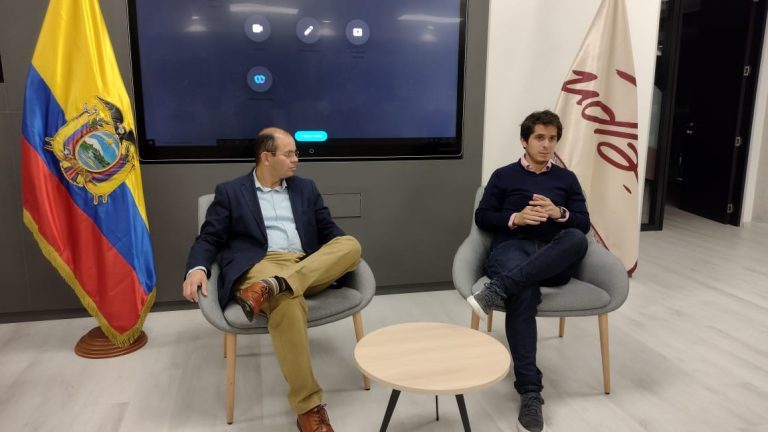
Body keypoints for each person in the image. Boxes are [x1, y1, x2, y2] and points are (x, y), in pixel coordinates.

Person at [183, 127, 361, 432]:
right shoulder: (231, 192)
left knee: (351, 245)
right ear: (267, 157)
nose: (296, 159)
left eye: (296, 153)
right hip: (259, 266)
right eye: (289, 154)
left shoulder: (306, 188)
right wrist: (197, 268)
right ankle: (308, 407)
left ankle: (274, 286)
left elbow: (329, 230)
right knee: (287, 302)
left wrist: (336, 254)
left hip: (306, 264)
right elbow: (209, 238)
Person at [468, 110, 590, 432]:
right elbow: (483, 217)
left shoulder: (567, 179)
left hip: (552, 255)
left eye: (552, 139)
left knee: (576, 239)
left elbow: (583, 223)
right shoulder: (503, 176)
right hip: (512, 248)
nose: (546, 145)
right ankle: (530, 392)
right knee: (523, 291)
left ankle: (497, 289)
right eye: (539, 137)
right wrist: (516, 219)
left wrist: (558, 212)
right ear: (524, 140)